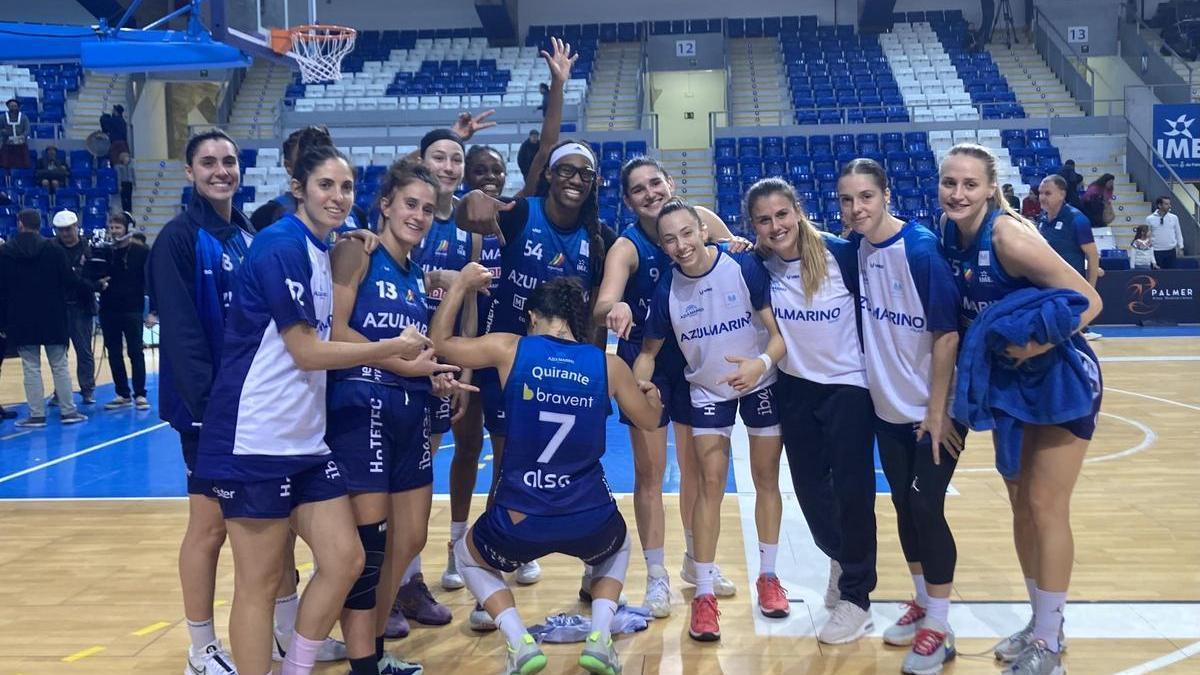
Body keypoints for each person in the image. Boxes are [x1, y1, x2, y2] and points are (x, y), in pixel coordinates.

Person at [193, 145, 420, 675]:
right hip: (256, 438)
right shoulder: (280, 246)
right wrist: (389, 348)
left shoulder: (321, 249)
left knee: (346, 559)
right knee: (261, 581)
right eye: (325, 185)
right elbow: (305, 351)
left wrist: (350, 240)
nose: (338, 197)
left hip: (305, 441)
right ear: (298, 188)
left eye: (345, 188)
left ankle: (296, 667)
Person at [432, 270, 663, 675]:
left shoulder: (509, 348)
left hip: (519, 517)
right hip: (588, 517)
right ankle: (600, 638)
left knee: (468, 556)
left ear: (533, 317)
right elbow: (648, 420)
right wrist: (654, 397)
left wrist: (459, 287)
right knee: (619, 545)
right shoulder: (608, 366)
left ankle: (519, 641)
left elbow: (441, 344)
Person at [938, 142, 1103, 675]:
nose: (958, 193)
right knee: (1021, 506)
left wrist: (1035, 345)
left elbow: (1090, 301)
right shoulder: (947, 235)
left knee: (1045, 504)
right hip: (1010, 389)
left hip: (1059, 382)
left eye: (969, 184)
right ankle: (1041, 624)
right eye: (949, 183)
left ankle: (1051, 645)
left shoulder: (1008, 235)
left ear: (991, 188)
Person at [438, 38, 578, 613]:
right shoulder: (446, 220)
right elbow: (430, 180)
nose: (490, 180)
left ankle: (499, 543)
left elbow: (547, 148)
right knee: (466, 448)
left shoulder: (519, 213)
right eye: (479, 171)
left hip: (511, 355)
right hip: (466, 349)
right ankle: (454, 544)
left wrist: (560, 88)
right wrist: (456, 139)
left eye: (496, 173)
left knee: (506, 450)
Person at [455, 138, 607, 601]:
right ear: (550, 175)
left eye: (585, 173)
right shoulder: (523, 213)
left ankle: (579, 561)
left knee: (571, 466)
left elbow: (597, 316)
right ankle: (487, 561)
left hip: (564, 372)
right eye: (567, 170)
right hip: (509, 360)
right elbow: (466, 216)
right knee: (507, 462)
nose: (575, 179)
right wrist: (470, 201)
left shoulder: (598, 237)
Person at [327, 160, 463, 675]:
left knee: (410, 539)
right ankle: (362, 660)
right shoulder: (357, 250)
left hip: (412, 410)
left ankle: (375, 648)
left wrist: (431, 374)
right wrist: (400, 359)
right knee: (371, 545)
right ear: (384, 204)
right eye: (410, 203)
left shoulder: (413, 276)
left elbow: (414, 352)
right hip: (362, 408)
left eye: (428, 209)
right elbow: (336, 332)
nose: (420, 215)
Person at [592, 157, 742, 618]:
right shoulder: (628, 245)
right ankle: (655, 577)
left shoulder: (700, 221)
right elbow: (602, 303)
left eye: (655, 182)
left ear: (670, 183)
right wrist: (614, 310)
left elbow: (734, 257)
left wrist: (740, 245)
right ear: (629, 200)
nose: (650, 192)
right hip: (648, 366)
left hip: (701, 357)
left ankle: (698, 562)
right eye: (638, 189)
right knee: (650, 475)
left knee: (699, 471)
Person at [635, 197, 787, 641]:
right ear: (662, 246)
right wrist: (638, 388)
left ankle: (769, 576)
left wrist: (759, 364)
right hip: (707, 391)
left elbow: (777, 338)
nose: (680, 245)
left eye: (686, 233)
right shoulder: (667, 290)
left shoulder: (742, 267)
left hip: (758, 382)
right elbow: (647, 354)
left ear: (703, 231)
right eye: (669, 239)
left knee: (765, 479)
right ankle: (703, 594)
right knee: (709, 485)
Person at [840, 158, 964, 675]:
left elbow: (948, 333)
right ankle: (920, 602)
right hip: (887, 409)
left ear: (886, 194)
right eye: (847, 199)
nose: (856, 208)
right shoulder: (859, 249)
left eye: (865, 196)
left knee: (927, 508)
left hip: (931, 413)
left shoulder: (919, 251)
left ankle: (940, 624)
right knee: (904, 509)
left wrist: (937, 413)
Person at [746, 177, 878, 644]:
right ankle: (841, 558)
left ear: (797, 210)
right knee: (809, 491)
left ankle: (858, 597)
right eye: (764, 219)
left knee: (853, 493)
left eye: (782, 214)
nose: (776, 225)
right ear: (755, 227)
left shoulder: (843, 254)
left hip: (848, 390)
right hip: (797, 389)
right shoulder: (759, 267)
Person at [148, 130, 250, 675]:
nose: (220, 170)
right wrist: (211, 410)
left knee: (264, 525)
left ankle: (281, 634)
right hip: (211, 413)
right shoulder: (178, 240)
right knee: (209, 528)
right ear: (189, 172)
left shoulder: (246, 232)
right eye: (208, 162)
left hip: (257, 409)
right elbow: (183, 336)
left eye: (228, 161)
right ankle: (201, 648)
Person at [0, 209, 87, 427]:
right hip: (53, 315)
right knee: (59, 364)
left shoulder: (5, 252)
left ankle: (36, 415)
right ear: (41, 225)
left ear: (20, 224)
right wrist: (91, 290)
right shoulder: (54, 250)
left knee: (30, 366)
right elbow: (71, 281)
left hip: (21, 317)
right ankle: (68, 412)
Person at [1037, 175, 1102, 342]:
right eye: (1041, 193)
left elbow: (1093, 255)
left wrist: (1090, 288)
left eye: (1048, 193)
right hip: (1046, 289)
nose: (1042, 197)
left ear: (1062, 194)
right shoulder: (1042, 219)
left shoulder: (1077, 219)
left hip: (1069, 292)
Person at [98, 213, 151, 410]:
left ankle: (140, 393)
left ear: (128, 228)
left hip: (132, 308)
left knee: (136, 352)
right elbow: (94, 275)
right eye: (111, 227)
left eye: (118, 227)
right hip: (108, 309)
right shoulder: (105, 252)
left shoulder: (141, 251)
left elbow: (149, 280)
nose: (114, 231)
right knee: (113, 353)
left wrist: (152, 310)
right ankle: (122, 393)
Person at [50, 210, 102, 406]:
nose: (65, 234)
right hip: (58, 307)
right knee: (58, 353)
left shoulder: (89, 249)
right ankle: (59, 391)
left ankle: (87, 389)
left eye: (68, 229)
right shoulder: (51, 248)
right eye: (61, 230)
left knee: (84, 351)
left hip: (82, 306)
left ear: (76, 227)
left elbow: (96, 275)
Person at [1146, 196, 1184, 269]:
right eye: (1166, 204)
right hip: (1156, 252)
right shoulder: (1149, 219)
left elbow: (1178, 233)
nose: (1169, 206)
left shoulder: (1174, 217)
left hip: (1171, 251)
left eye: (1169, 204)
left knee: (1171, 275)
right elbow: (1148, 236)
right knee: (1156, 276)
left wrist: (1181, 247)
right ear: (1159, 205)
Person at [1, 99, 30, 170]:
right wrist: (4, 132)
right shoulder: (2, 117)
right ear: (8, 107)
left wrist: (22, 136)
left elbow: (27, 129)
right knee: (5, 164)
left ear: (18, 107)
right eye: (11, 106)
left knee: (23, 164)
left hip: (21, 145)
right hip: (7, 144)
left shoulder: (24, 117)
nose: (13, 108)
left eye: (15, 106)